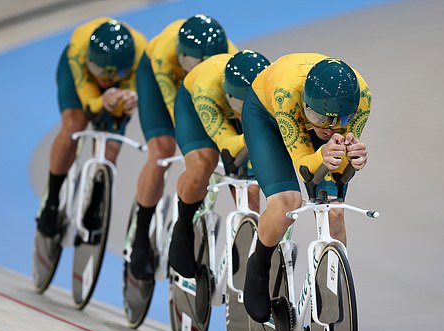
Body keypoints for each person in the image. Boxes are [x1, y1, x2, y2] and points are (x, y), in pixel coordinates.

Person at [241, 54, 372, 323]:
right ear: (305, 105)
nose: (328, 128)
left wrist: (353, 156)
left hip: (310, 115)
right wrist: (322, 153)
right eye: (318, 117)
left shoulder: (363, 98)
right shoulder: (286, 95)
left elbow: (340, 162)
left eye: (339, 120)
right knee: (286, 204)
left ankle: (330, 297)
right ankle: (259, 263)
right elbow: (303, 164)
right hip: (267, 116)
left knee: (334, 211)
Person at [129, 14, 238, 279]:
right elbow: (178, 118)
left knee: (237, 157)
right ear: (183, 57)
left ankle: (246, 231)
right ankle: (140, 237)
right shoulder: (165, 55)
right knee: (163, 149)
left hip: (209, 89)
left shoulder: (232, 61)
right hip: (160, 82)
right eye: (194, 63)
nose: (199, 67)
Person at [36, 18, 146, 237]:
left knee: (111, 146)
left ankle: (97, 196)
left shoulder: (141, 54)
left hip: (122, 83)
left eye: (113, 74)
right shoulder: (78, 46)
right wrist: (102, 100)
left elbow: (132, 94)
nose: (106, 80)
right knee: (74, 125)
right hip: (80, 77)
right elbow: (89, 101)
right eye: (101, 72)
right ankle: (52, 200)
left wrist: (129, 98)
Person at [168, 50, 271, 278]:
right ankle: (183, 225)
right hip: (196, 108)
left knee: (251, 187)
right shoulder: (207, 90)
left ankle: (246, 251)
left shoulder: (268, 88)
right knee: (204, 163)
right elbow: (227, 144)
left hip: (241, 108)